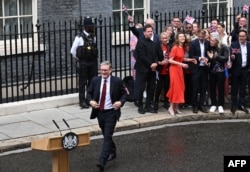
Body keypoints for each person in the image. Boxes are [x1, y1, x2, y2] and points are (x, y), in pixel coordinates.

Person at [86, 61, 127, 171]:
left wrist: (120, 102)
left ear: (110, 70)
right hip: (100, 112)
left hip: (111, 112)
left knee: (107, 136)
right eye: (101, 70)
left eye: (105, 70)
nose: (103, 72)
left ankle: (102, 161)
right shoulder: (95, 80)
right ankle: (112, 151)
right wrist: (90, 102)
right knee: (105, 134)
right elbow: (88, 93)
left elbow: (124, 94)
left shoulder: (117, 81)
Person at [128, 16, 160, 107]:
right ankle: (138, 101)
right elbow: (134, 30)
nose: (150, 26)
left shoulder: (157, 37)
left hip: (153, 66)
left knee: (152, 85)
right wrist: (131, 23)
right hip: (142, 64)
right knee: (140, 85)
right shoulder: (141, 33)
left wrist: (156, 63)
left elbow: (158, 51)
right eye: (147, 24)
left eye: (151, 25)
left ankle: (149, 103)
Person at [134, 24, 163, 114]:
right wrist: (151, 64)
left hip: (152, 70)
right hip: (142, 69)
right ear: (144, 33)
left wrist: (155, 63)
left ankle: (148, 105)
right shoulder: (140, 42)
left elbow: (158, 55)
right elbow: (142, 56)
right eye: (148, 31)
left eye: (151, 31)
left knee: (152, 87)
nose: (150, 33)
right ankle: (140, 106)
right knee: (141, 88)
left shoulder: (154, 43)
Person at [70, 16, 98, 109]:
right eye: (91, 26)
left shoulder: (93, 36)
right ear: (86, 27)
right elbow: (73, 51)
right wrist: (78, 59)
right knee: (82, 82)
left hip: (92, 62)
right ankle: (82, 101)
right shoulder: (79, 37)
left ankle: (89, 100)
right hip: (84, 62)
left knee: (92, 81)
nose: (93, 28)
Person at [167, 33, 196, 116]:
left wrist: (191, 60)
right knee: (175, 87)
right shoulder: (175, 48)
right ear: (177, 38)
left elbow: (182, 58)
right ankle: (171, 107)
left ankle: (176, 107)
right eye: (180, 37)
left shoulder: (181, 48)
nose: (182, 38)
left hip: (179, 69)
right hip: (174, 69)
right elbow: (170, 60)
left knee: (180, 87)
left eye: (183, 36)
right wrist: (181, 64)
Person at [189, 29, 210, 113]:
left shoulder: (207, 43)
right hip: (196, 68)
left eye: (203, 36)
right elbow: (191, 55)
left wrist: (207, 59)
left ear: (205, 36)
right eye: (200, 36)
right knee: (195, 87)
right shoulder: (193, 43)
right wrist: (199, 58)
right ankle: (195, 105)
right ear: (198, 35)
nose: (201, 38)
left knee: (203, 87)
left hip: (204, 68)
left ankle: (201, 104)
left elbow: (209, 53)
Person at [207, 35, 229, 114]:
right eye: (210, 40)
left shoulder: (223, 47)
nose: (211, 42)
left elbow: (225, 58)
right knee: (212, 88)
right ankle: (213, 104)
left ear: (217, 41)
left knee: (220, 88)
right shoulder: (210, 47)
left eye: (213, 41)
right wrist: (207, 59)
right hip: (212, 71)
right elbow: (209, 58)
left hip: (221, 71)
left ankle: (220, 105)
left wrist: (215, 57)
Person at [230, 29, 250, 114]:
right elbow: (230, 57)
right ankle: (234, 104)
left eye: (243, 36)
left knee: (243, 88)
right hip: (235, 69)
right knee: (234, 88)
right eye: (240, 36)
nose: (241, 38)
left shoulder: (249, 45)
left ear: (246, 37)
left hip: (245, 70)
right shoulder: (233, 45)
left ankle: (242, 104)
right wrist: (232, 57)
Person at [154, 31, 171, 110]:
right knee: (159, 87)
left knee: (167, 86)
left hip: (167, 69)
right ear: (160, 39)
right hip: (160, 69)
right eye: (163, 38)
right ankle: (156, 102)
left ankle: (166, 102)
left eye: (166, 38)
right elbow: (155, 56)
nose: (164, 39)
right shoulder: (158, 47)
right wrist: (159, 62)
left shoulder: (169, 47)